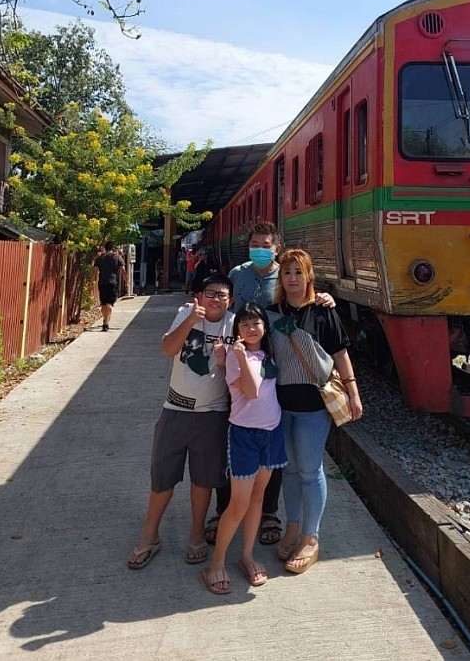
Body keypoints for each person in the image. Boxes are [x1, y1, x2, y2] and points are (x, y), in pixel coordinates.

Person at [205, 221, 336, 549]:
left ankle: (270, 513)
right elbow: (224, 310)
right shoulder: (238, 274)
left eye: (266, 244)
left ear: (276, 248)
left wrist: (323, 297)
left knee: (274, 450)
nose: (260, 249)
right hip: (238, 367)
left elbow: (303, 300)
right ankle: (223, 509)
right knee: (232, 439)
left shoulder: (286, 276)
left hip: (273, 374)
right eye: (255, 243)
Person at [126, 274, 234, 570]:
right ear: (200, 296)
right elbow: (167, 349)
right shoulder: (186, 313)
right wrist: (189, 321)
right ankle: (150, 536)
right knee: (162, 478)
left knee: (203, 480)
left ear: (231, 301)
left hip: (212, 414)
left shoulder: (235, 324)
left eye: (222, 295)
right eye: (210, 293)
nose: (215, 300)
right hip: (175, 409)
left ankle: (196, 535)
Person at [269, 247, 363, 574]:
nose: (293, 278)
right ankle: (292, 526)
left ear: (309, 275)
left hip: (313, 407)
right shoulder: (271, 312)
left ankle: (311, 536)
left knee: (310, 470)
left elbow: (340, 353)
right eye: (287, 272)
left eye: (299, 272)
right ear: (280, 277)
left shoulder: (323, 311)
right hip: (280, 406)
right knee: (291, 470)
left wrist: (353, 392)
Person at [201, 303, 287, 595]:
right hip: (244, 435)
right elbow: (249, 391)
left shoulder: (266, 354)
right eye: (245, 324)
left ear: (265, 326)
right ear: (237, 330)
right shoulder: (235, 357)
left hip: (271, 433)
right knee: (238, 503)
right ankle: (216, 563)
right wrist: (236, 355)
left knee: (258, 498)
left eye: (256, 323)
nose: (251, 329)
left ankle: (247, 556)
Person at [93, 241, 125, 332]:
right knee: (109, 304)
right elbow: (123, 270)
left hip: (102, 283)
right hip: (112, 283)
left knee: (103, 303)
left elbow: (94, 271)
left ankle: (105, 320)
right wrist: (126, 281)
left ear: (105, 248)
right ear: (113, 248)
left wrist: (92, 282)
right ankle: (106, 323)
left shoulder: (100, 258)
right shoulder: (117, 257)